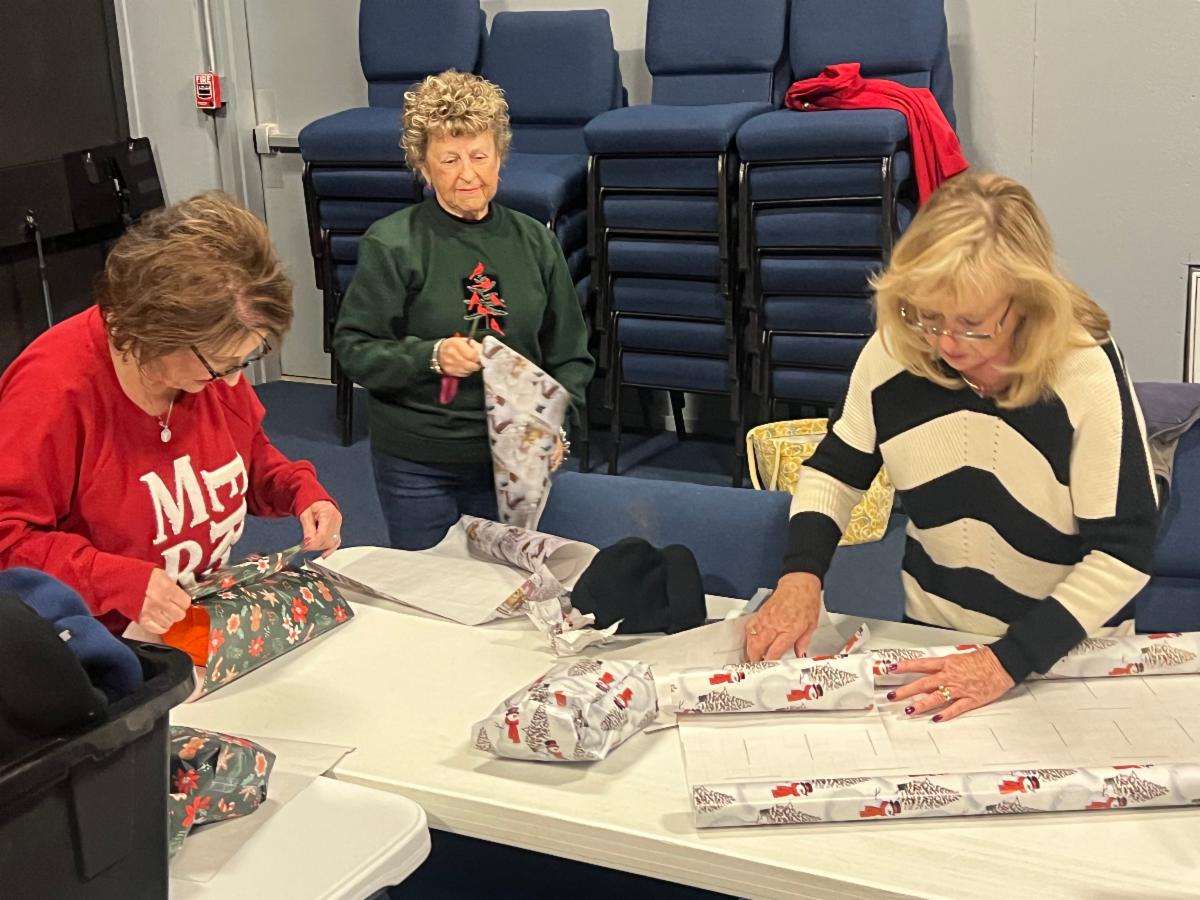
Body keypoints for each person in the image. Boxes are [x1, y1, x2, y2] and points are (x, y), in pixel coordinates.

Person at [745, 172, 1158, 721]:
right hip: (936, 635)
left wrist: (1008, 661)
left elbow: (1124, 552)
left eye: (972, 324)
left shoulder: (1082, 366)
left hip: (1067, 651)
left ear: (1024, 301)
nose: (945, 343)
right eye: (930, 316)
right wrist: (801, 574)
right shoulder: (895, 348)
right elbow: (835, 473)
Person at [0, 192, 343, 638]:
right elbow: (8, 540)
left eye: (244, 360)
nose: (232, 382)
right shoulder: (53, 390)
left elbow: (243, 455)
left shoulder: (208, 370)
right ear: (157, 332)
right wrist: (114, 580)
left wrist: (299, 491)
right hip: (92, 642)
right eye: (220, 364)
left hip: (186, 625)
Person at [333, 70, 593, 550]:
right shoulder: (392, 243)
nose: (468, 174)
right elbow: (354, 350)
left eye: (479, 156)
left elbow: (570, 353)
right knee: (428, 585)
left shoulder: (535, 241)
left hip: (515, 460)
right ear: (423, 166)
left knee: (507, 583)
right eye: (449, 160)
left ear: (500, 157)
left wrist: (558, 423)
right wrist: (429, 356)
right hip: (419, 461)